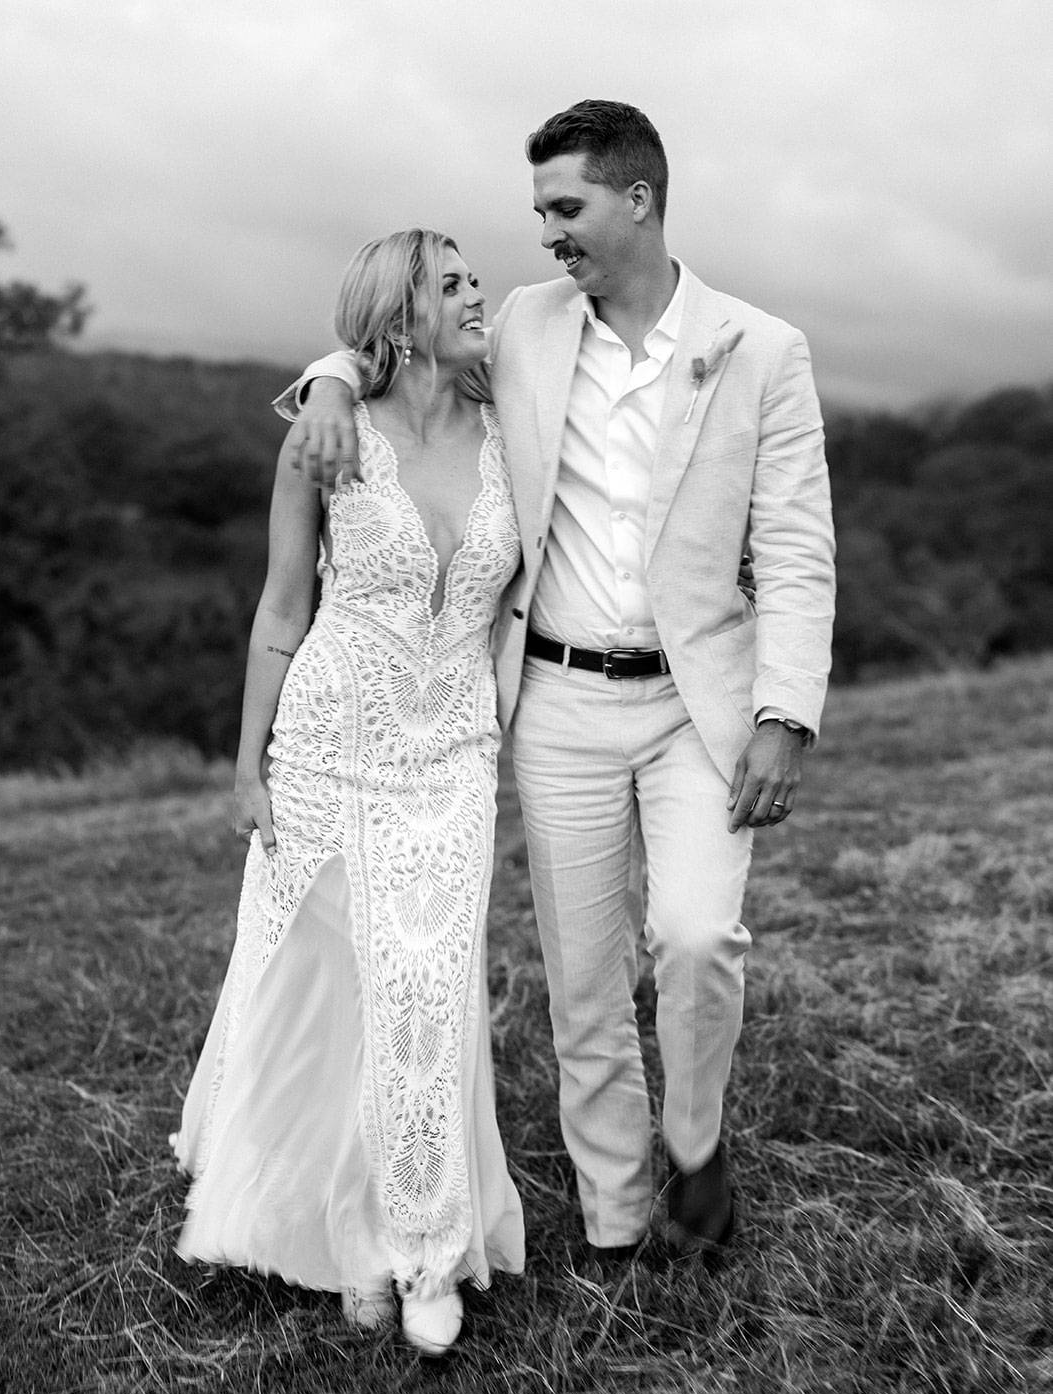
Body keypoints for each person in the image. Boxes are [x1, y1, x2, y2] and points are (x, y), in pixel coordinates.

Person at [276, 101, 836, 1271]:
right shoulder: (527, 326)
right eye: (538, 212)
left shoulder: (760, 347)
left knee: (691, 934)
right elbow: (395, 334)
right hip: (556, 703)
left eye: (564, 209)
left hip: (699, 705)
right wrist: (329, 378)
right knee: (582, 978)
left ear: (638, 200)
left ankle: (693, 1142)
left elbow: (793, 548)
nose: (545, 236)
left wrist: (784, 713)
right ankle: (617, 1216)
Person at [171, 228, 525, 1356]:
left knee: (425, 983)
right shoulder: (326, 442)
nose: (478, 296)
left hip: (451, 754)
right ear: (394, 315)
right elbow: (281, 611)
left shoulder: (515, 420)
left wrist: (325, 367)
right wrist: (245, 767)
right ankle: (341, 1230)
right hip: (327, 746)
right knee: (320, 979)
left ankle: (420, 1245)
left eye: (476, 279)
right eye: (452, 284)